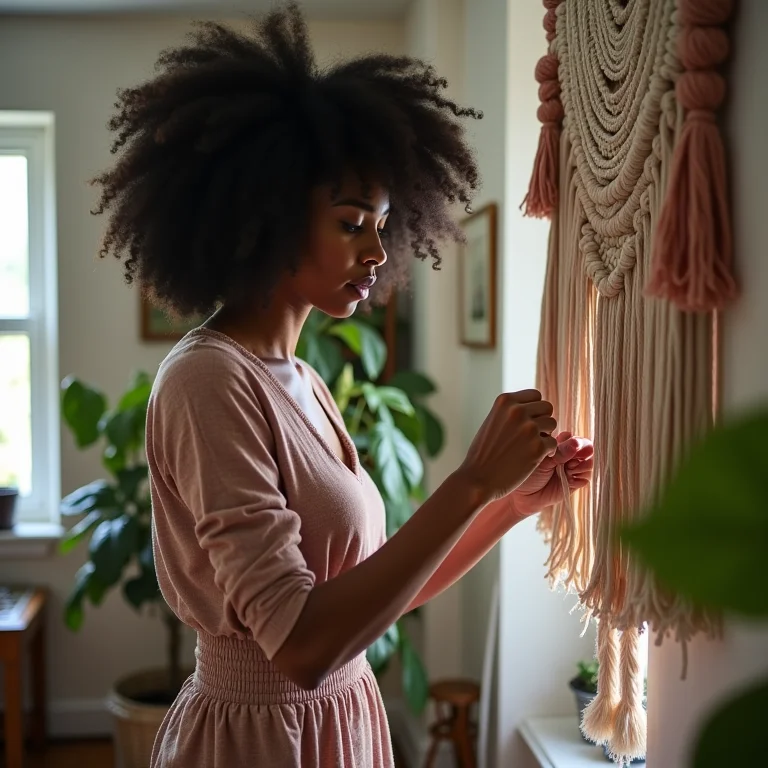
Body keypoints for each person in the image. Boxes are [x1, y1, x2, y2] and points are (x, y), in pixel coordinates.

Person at [90, 4, 593, 766]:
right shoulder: (205, 380)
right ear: (266, 217)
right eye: (353, 222)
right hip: (260, 739)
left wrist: (510, 505)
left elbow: (378, 591)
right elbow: (300, 646)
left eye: (383, 225)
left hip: (339, 721)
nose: (377, 251)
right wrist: (470, 482)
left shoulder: (303, 380)